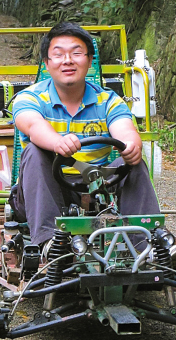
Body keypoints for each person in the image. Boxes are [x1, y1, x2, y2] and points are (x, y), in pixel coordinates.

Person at [11, 22, 161, 249]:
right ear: (47, 63)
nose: (68, 60)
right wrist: (57, 142)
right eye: (58, 54)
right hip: (44, 192)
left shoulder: (109, 100)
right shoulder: (30, 98)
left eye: (77, 53)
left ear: (90, 61)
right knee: (34, 151)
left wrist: (131, 146)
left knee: (133, 162)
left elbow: (125, 129)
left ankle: (148, 243)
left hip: (98, 190)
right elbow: (32, 125)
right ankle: (49, 243)